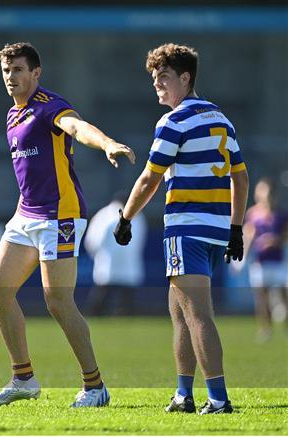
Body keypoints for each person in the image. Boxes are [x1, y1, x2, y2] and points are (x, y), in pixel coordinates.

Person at [0, 42, 135, 408]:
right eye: (6, 71)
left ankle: (95, 387)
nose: (11, 77)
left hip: (60, 215)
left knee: (58, 300)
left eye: (18, 70)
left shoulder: (49, 107)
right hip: (26, 214)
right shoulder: (12, 115)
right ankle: (23, 379)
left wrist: (107, 143)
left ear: (36, 73)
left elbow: (78, 127)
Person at [114, 43, 249, 415]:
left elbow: (149, 179)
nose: (157, 84)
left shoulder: (173, 122)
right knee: (180, 312)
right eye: (154, 78)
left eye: (164, 77)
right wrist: (235, 227)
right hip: (216, 229)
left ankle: (219, 400)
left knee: (198, 315)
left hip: (186, 227)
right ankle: (183, 395)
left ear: (185, 77)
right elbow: (241, 176)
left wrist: (125, 217)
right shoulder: (222, 119)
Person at [84, 192, 147, 316]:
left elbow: (139, 240)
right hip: (108, 264)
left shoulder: (138, 215)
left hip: (129, 264)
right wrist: (98, 256)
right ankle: (94, 316)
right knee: (101, 296)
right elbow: (93, 240)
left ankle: (125, 317)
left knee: (127, 300)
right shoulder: (104, 215)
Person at [243, 177, 288, 342]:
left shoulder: (281, 214)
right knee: (262, 299)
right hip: (260, 262)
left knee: (284, 296)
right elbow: (247, 236)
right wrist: (241, 259)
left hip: (278, 262)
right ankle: (266, 329)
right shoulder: (252, 214)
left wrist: (275, 240)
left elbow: (285, 235)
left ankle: (284, 326)